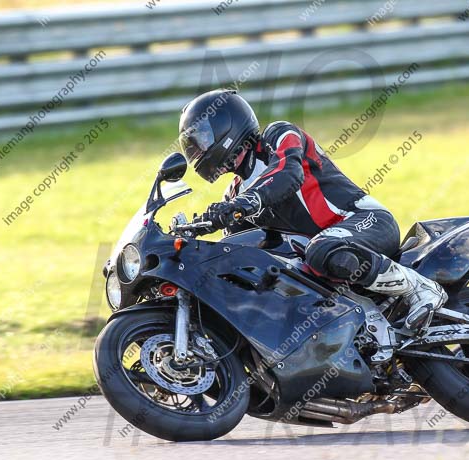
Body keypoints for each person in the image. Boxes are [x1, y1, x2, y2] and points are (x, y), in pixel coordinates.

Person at [178, 89, 446, 333]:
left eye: (201, 138)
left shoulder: (278, 135)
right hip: (321, 257)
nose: (197, 150)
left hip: (364, 221)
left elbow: (287, 173)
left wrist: (243, 204)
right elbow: (237, 250)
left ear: (228, 123)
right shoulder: (235, 194)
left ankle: (419, 287)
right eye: (191, 144)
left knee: (322, 249)